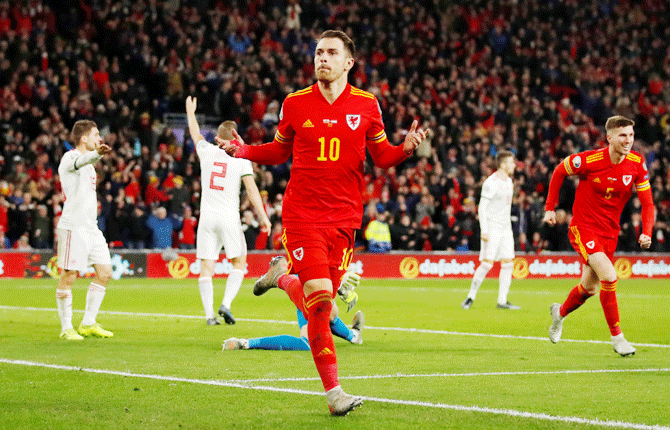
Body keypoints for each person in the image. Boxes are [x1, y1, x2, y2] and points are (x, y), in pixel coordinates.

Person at [217, 30, 428, 416]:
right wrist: (243, 150)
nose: (322, 59)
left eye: (331, 53)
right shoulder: (295, 103)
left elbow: (382, 157)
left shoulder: (367, 105)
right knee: (319, 299)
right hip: (303, 215)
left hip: (345, 218)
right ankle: (334, 394)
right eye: (318, 53)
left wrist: (405, 151)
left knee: (324, 305)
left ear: (348, 62)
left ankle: (280, 277)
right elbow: (279, 150)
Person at [543, 115, 655, 356]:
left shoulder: (637, 163)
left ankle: (559, 313)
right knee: (610, 276)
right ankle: (618, 338)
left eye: (631, 135)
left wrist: (647, 232)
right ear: (609, 137)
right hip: (584, 228)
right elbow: (559, 171)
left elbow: (648, 203)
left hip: (609, 233)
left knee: (589, 289)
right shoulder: (589, 159)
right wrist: (550, 207)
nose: (628, 140)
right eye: (623, 135)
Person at [185, 96, 271, 326]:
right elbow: (252, 191)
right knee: (239, 262)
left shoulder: (207, 152)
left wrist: (190, 112)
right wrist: (264, 217)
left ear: (217, 137)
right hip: (228, 217)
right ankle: (227, 304)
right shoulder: (240, 158)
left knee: (206, 266)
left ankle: (209, 316)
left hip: (207, 218)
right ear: (235, 137)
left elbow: (196, 135)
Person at [55, 120, 114, 340]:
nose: (99, 138)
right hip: (74, 226)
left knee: (105, 273)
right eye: (96, 134)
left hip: (91, 227)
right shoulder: (70, 158)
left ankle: (88, 323)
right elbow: (82, 160)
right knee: (69, 275)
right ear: (84, 138)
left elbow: (87, 161)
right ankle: (66, 328)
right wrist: (97, 154)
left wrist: (96, 156)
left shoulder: (89, 164)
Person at [223, 271, 364, 351]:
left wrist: (338, 285)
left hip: (305, 282)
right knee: (328, 313)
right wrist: (338, 284)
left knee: (327, 317)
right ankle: (279, 278)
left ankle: (354, 335)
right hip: (307, 281)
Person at [462, 150, 520, 310]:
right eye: (511, 162)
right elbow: (482, 207)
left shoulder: (509, 181)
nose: (514, 165)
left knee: (508, 263)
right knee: (487, 264)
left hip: (506, 229)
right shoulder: (491, 182)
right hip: (492, 228)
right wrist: (484, 230)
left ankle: (502, 301)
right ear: (502, 164)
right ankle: (470, 297)